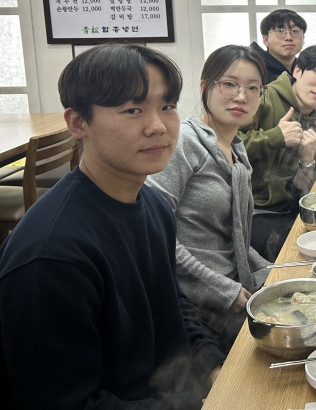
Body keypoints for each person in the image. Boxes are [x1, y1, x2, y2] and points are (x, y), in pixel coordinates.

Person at [0, 44, 224, 409]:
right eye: (132, 110)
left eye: (167, 106)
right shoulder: (52, 256)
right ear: (78, 123)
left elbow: (173, 310)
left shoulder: (153, 206)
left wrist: (214, 369)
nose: (158, 126)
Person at [147, 45, 272, 353]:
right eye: (229, 84)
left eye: (252, 88)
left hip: (232, 288)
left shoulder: (237, 150)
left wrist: (275, 271)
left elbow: (236, 239)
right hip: (195, 306)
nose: (241, 96)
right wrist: (222, 290)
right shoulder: (185, 142)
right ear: (205, 87)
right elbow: (153, 231)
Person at [240, 45, 316, 261]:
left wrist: (307, 160)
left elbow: (303, 193)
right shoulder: (263, 98)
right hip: (253, 214)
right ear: (297, 70)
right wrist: (275, 136)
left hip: (289, 214)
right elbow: (226, 146)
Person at [249, 8, 307, 83]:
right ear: (265, 40)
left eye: (295, 31)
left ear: (303, 38)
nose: (289, 38)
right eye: (280, 31)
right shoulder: (253, 69)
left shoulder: (307, 69)